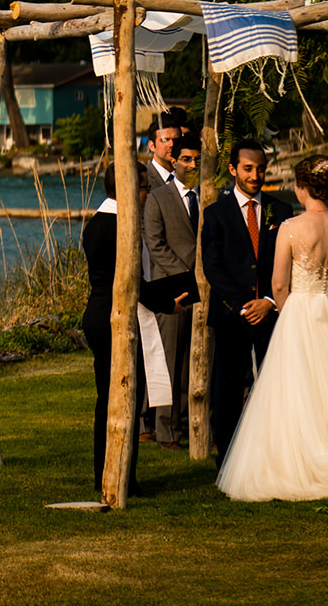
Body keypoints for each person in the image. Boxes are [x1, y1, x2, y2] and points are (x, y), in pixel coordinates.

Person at [215, 153, 328, 505]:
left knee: (295, 390)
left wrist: (287, 313)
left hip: (299, 311)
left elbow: (279, 284)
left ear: (300, 187)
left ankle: (298, 464)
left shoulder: (291, 228)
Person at [81, 158, 190, 497]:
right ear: (128, 189)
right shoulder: (115, 226)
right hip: (110, 318)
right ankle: (114, 474)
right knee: (118, 398)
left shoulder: (104, 221)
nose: (147, 194)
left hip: (107, 313)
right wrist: (168, 303)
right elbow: (129, 283)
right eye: (144, 187)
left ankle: (121, 472)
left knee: (122, 396)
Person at [200, 138, 293, 462]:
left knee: (275, 385)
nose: (255, 175)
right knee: (227, 388)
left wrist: (268, 300)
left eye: (261, 169)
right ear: (232, 169)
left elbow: (291, 262)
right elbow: (212, 266)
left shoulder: (281, 211)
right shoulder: (215, 214)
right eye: (248, 168)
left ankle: (272, 454)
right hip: (231, 316)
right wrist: (245, 304)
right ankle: (226, 458)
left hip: (272, 313)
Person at [143, 124, 201, 449]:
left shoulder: (207, 197)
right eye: (187, 160)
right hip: (173, 291)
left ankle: (193, 426)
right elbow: (155, 244)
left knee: (196, 362)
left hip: (204, 292)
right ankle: (165, 431)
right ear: (175, 161)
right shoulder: (157, 199)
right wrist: (187, 277)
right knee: (169, 362)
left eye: (197, 160)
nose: (192, 166)